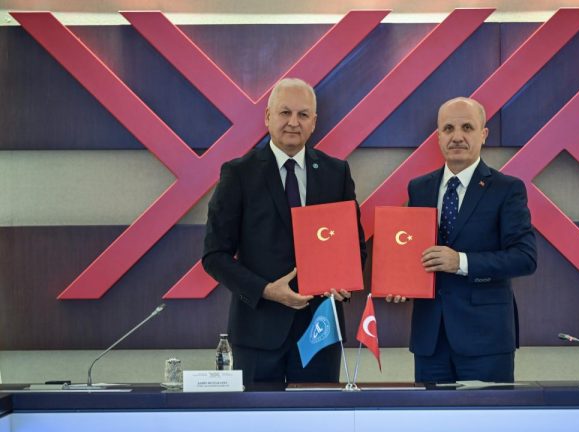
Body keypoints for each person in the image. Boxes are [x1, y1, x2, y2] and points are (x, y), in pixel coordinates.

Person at [202, 78, 366, 384]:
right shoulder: (238, 173)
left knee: (318, 413)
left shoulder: (336, 172)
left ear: (314, 122)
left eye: (303, 115)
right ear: (267, 117)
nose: (293, 122)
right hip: (257, 333)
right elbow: (214, 256)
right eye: (285, 112)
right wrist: (265, 290)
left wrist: (345, 281)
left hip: (320, 332)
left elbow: (355, 247)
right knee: (258, 414)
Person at [388, 97, 537, 383]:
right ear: (438, 136)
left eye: (467, 127)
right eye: (448, 129)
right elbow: (411, 250)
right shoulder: (419, 188)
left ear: (483, 134)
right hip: (430, 339)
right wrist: (400, 282)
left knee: (488, 413)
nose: (457, 136)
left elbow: (525, 257)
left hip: (486, 340)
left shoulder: (507, 189)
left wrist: (461, 262)